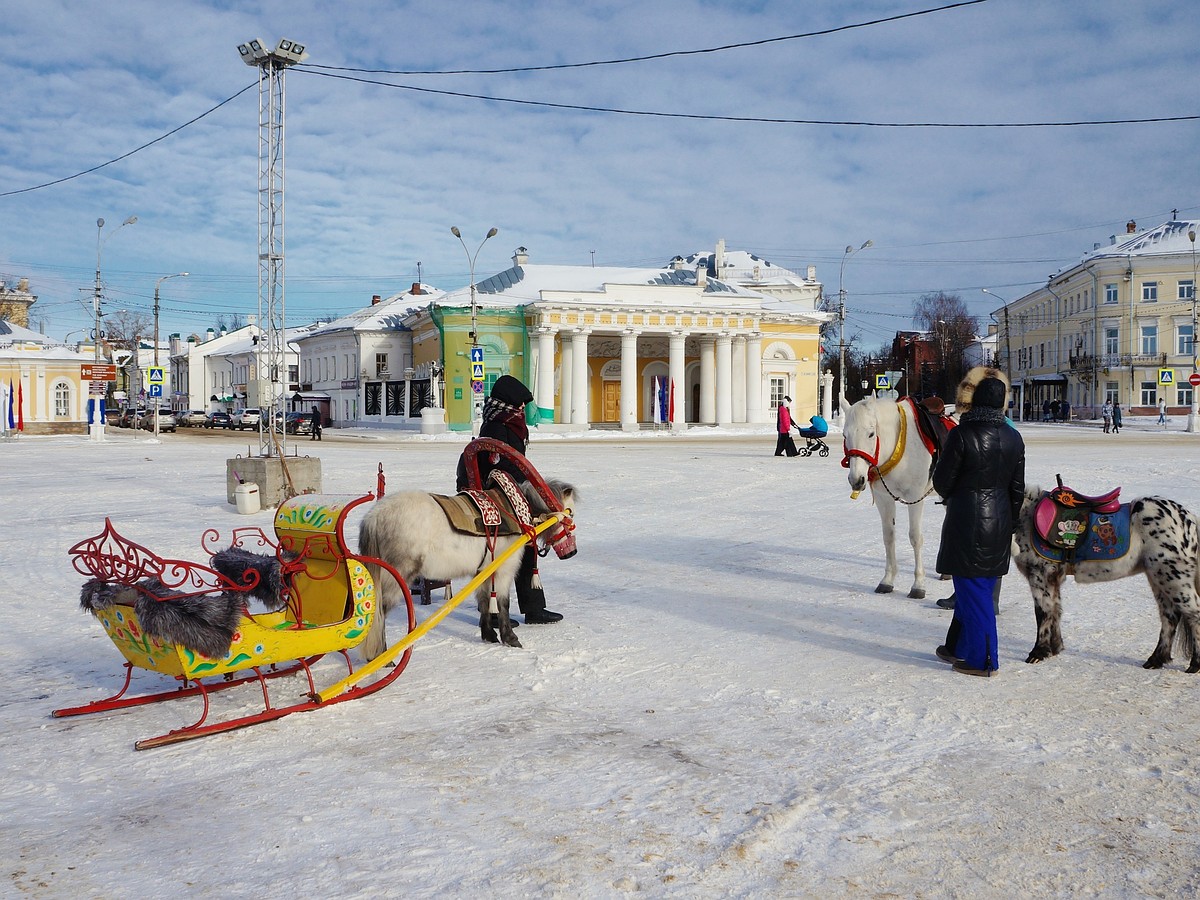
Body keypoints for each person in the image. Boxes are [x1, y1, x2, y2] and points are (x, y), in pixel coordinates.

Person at [931, 375, 1025, 677]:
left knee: (974, 591)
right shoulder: (1014, 437)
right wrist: (1008, 522)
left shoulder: (962, 434)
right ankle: (957, 647)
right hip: (999, 520)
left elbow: (942, 483)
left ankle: (983, 659)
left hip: (967, 520)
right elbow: (1017, 489)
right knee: (977, 587)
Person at [455, 374, 562, 626]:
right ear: (510, 403)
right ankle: (493, 612)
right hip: (494, 497)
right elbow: (500, 467)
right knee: (499, 554)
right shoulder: (498, 426)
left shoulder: (507, 422)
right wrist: (527, 490)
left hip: (509, 494)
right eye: (520, 404)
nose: (523, 409)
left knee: (527, 545)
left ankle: (534, 608)